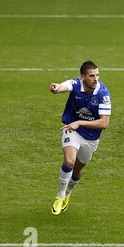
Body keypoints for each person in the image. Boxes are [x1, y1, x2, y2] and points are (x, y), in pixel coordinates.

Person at [48, 61, 111, 215]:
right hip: (71, 130)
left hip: (91, 138)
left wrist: (79, 122)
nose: (95, 79)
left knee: (77, 170)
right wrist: (56, 88)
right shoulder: (76, 84)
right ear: (83, 77)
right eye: (91, 76)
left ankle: (68, 194)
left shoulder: (103, 93)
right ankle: (60, 195)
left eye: (97, 75)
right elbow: (64, 86)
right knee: (69, 161)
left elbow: (104, 123)